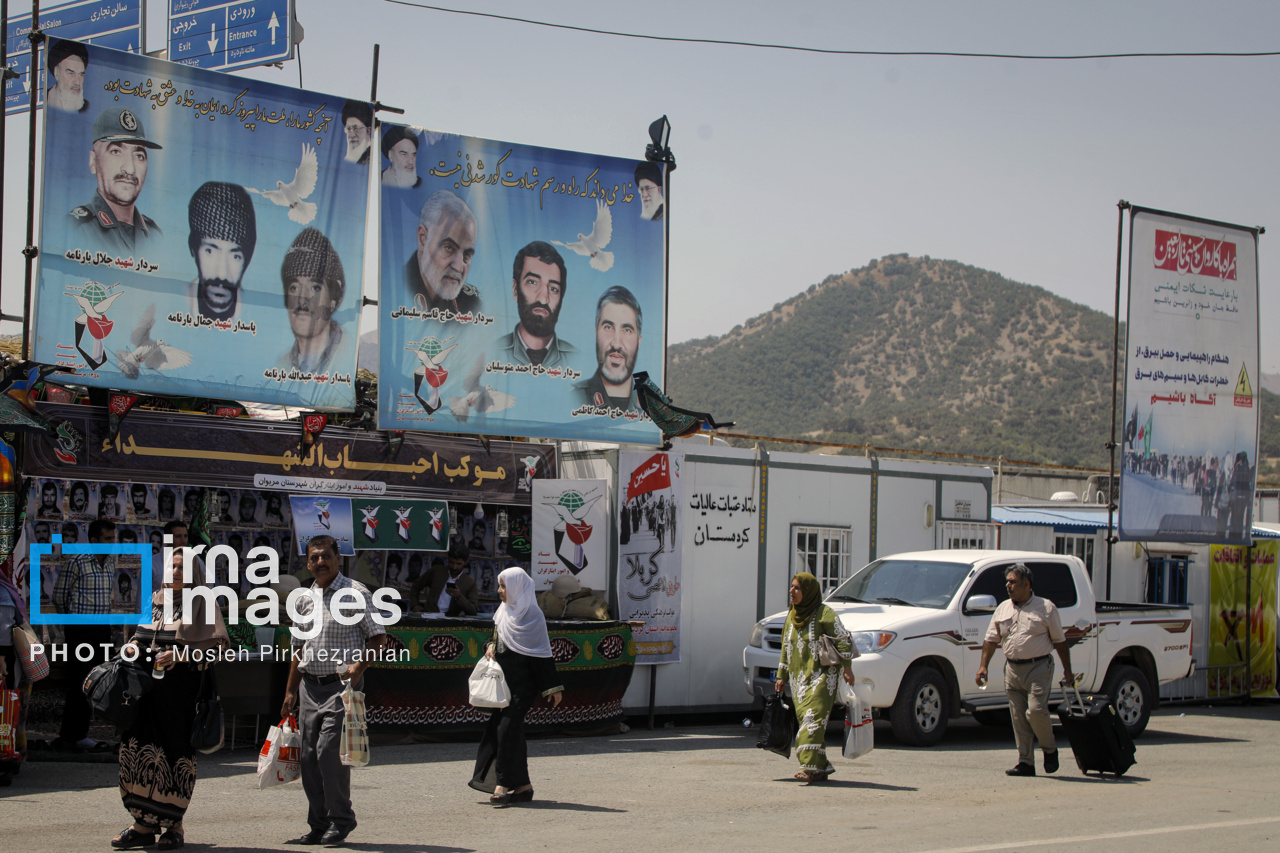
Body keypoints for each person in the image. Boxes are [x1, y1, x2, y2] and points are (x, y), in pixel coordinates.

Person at [112, 549, 229, 850]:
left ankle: (174, 826)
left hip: (180, 700)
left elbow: (217, 650)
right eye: (172, 567)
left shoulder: (203, 604)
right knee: (135, 752)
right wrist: (131, 650)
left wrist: (182, 654)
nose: (175, 573)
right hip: (144, 696)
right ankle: (142, 825)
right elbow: (136, 638)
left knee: (173, 758)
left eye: (182, 568)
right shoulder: (153, 601)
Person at [281, 535, 387, 847]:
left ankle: (342, 819)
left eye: (325, 556)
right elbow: (298, 649)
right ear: (308, 562)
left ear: (338, 559)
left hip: (342, 687)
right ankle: (319, 823)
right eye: (314, 558)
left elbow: (378, 639)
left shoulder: (355, 593)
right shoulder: (303, 598)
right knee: (309, 759)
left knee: (329, 753)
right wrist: (289, 692)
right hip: (309, 689)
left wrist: (357, 669)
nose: (320, 563)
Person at [469, 567, 563, 804]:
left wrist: (552, 687)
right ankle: (523, 786)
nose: (500, 591)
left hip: (524, 686)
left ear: (517, 588)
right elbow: (496, 639)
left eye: (504, 586)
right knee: (511, 731)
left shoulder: (533, 615)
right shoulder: (503, 612)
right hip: (504, 684)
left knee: (507, 729)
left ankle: (502, 783)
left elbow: (542, 654)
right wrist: (489, 646)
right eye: (500, 586)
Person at [975, 563, 1073, 777]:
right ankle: (1026, 762)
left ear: (1027, 584)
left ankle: (1049, 749)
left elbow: (1060, 642)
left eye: (1013, 582)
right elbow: (991, 640)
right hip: (1012, 668)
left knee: (1036, 710)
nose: (1008, 585)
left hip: (1038, 667)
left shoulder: (1046, 608)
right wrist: (983, 666)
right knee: (1018, 717)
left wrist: (1068, 671)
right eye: (1007, 581)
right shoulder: (1003, 608)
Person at [773, 572, 855, 782]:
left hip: (822, 678)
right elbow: (785, 647)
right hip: (798, 679)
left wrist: (847, 668)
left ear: (808, 592)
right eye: (791, 587)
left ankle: (808, 768)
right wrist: (781, 676)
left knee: (812, 721)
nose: (792, 591)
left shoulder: (824, 613)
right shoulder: (791, 616)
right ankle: (820, 768)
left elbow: (843, 640)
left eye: (797, 588)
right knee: (808, 723)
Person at [50, 518, 118, 753]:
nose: (111, 543)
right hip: (80, 629)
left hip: (102, 629)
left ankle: (81, 734)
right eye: (107, 539)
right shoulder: (77, 562)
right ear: (93, 540)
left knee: (95, 682)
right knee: (79, 682)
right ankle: (70, 735)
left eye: (113, 538)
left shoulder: (110, 563)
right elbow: (59, 597)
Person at [69, 107, 163, 255]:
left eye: (139, 156)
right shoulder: (75, 228)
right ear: (93, 162)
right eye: (116, 152)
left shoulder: (155, 235)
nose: (130, 169)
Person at [278, 227, 352, 374]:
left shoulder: (348, 354)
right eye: (294, 288)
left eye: (315, 288)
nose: (302, 301)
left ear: (333, 301)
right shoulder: (281, 365)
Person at [495, 241, 578, 367]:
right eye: (533, 282)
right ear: (515, 289)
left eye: (553, 289)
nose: (543, 299)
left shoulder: (577, 359)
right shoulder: (493, 353)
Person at [186, 181, 257, 322]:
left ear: (247, 259)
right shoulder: (170, 303)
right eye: (210, 251)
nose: (222, 274)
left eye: (235, 256)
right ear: (193, 248)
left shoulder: (259, 315)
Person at [405, 190, 481, 315]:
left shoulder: (473, 304)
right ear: (423, 239)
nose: (458, 267)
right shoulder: (395, 290)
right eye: (449, 248)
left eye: (467, 255)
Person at [575, 285, 643, 412]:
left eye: (627, 330)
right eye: (608, 327)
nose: (616, 344)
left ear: (638, 341)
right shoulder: (573, 398)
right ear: (596, 333)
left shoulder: (651, 408)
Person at [0, 568, 34, 787]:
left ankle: (5, 762)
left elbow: (3, 629)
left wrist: (1, 659)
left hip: (4, 662)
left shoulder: (2, 593)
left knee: (4, 711)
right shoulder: (6, 589)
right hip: (6, 662)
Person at [409, 543, 479, 615]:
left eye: (458, 564)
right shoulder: (437, 571)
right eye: (452, 562)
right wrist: (414, 605)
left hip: (451, 623)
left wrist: (459, 596)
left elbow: (473, 610)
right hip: (429, 617)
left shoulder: (470, 583)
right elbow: (416, 585)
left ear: (466, 561)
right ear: (448, 559)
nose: (454, 567)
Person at [46, 40, 89, 112]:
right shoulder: (44, 99)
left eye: (81, 75)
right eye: (71, 73)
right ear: (57, 73)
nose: (77, 82)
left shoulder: (86, 107)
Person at [341, 100, 373, 165]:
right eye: (349, 129)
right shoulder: (348, 158)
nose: (352, 134)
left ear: (368, 131)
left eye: (356, 128)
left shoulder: (372, 159)